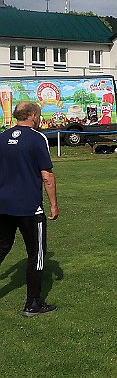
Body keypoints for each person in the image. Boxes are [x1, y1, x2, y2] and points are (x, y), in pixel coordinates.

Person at [0, 101, 60, 317]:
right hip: (29, 208)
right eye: (39, 114)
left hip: (3, 205)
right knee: (36, 253)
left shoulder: (3, 137)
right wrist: (53, 204)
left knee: (2, 248)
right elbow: (47, 175)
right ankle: (33, 303)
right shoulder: (37, 138)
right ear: (33, 115)